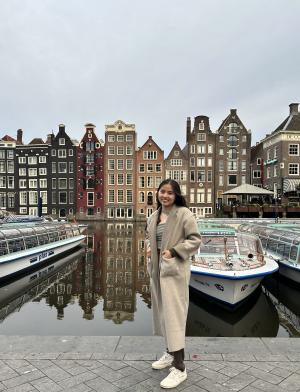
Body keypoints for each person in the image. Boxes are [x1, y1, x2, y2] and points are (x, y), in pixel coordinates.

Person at [146, 179, 201, 389]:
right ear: (158, 193)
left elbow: (195, 240)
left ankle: (180, 368)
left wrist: (173, 251)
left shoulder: (184, 214)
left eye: (170, 192)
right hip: (158, 271)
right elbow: (149, 236)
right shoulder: (153, 216)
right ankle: (170, 354)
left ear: (176, 195)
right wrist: (150, 248)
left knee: (174, 317)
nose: (165, 196)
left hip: (174, 271)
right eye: (162, 191)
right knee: (162, 314)